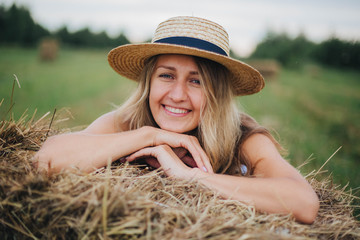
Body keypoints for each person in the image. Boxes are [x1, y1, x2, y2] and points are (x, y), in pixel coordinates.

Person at [35, 16, 319, 224]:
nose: (178, 94)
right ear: (149, 82)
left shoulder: (243, 135)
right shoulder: (128, 122)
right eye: (166, 75)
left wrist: (194, 177)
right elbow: (46, 161)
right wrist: (150, 135)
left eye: (196, 81)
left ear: (216, 93)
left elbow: (304, 203)